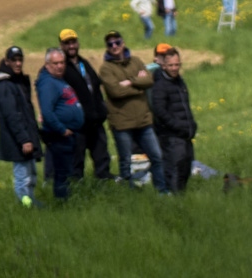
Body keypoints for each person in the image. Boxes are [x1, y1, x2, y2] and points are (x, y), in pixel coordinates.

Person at [98, 32, 162, 187]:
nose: (114, 46)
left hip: (144, 120)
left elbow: (149, 80)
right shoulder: (106, 68)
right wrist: (139, 85)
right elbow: (115, 92)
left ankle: (162, 189)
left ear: (123, 43)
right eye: (110, 44)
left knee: (157, 156)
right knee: (125, 161)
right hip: (122, 123)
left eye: (117, 42)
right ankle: (128, 191)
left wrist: (130, 82)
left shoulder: (136, 61)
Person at [0, 47, 42, 206]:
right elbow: (11, 115)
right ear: (7, 62)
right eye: (14, 60)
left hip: (25, 135)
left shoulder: (15, 80)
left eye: (20, 60)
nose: (18, 63)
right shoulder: (4, 84)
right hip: (18, 139)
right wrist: (24, 139)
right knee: (23, 177)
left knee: (31, 175)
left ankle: (30, 203)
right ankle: (26, 206)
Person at [58, 30, 111, 183]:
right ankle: (77, 189)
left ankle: (104, 185)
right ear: (61, 45)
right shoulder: (62, 67)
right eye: (67, 43)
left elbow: (96, 85)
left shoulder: (84, 63)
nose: (71, 46)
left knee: (102, 158)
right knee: (76, 162)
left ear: (78, 43)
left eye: (73, 42)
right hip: (77, 125)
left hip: (95, 121)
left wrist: (102, 109)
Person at [36, 47, 83, 200]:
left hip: (67, 134)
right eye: (55, 63)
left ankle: (66, 199)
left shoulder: (57, 80)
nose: (60, 66)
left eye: (62, 62)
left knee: (66, 171)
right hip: (59, 136)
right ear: (47, 64)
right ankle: (62, 201)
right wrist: (62, 130)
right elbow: (47, 112)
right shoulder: (48, 83)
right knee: (62, 173)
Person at [147, 45, 195, 195]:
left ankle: (181, 197)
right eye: (171, 65)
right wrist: (177, 126)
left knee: (186, 167)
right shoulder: (160, 85)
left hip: (185, 133)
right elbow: (160, 111)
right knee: (174, 168)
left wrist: (192, 125)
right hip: (171, 136)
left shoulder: (179, 81)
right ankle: (173, 199)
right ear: (164, 66)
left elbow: (185, 106)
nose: (174, 68)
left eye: (177, 65)